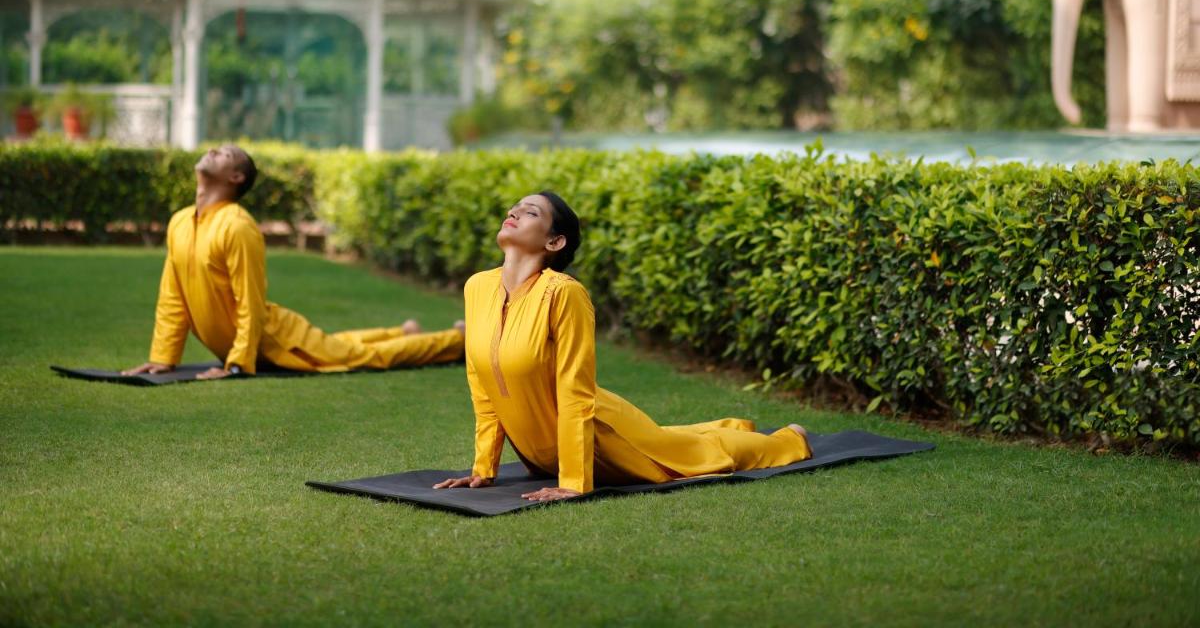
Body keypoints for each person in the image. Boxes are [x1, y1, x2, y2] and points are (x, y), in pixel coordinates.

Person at [434, 191, 811, 502]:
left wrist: (574, 482)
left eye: (529, 212)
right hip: (543, 454)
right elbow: (482, 385)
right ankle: (728, 426)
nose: (513, 213)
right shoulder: (477, 287)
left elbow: (575, 390)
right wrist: (483, 470)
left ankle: (787, 439)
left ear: (554, 241)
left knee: (699, 458)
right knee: (673, 441)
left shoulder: (564, 294)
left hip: (605, 437)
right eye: (513, 209)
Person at [123, 145, 463, 380]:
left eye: (225, 154)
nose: (212, 150)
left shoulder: (237, 226)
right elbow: (173, 297)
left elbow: (250, 301)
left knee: (366, 358)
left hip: (276, 338)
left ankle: (457, 341)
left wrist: (238, 363)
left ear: (236, 178)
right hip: (260, 339)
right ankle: (401, 331)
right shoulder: (180, 221)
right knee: (341, 345)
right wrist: (163, 357)